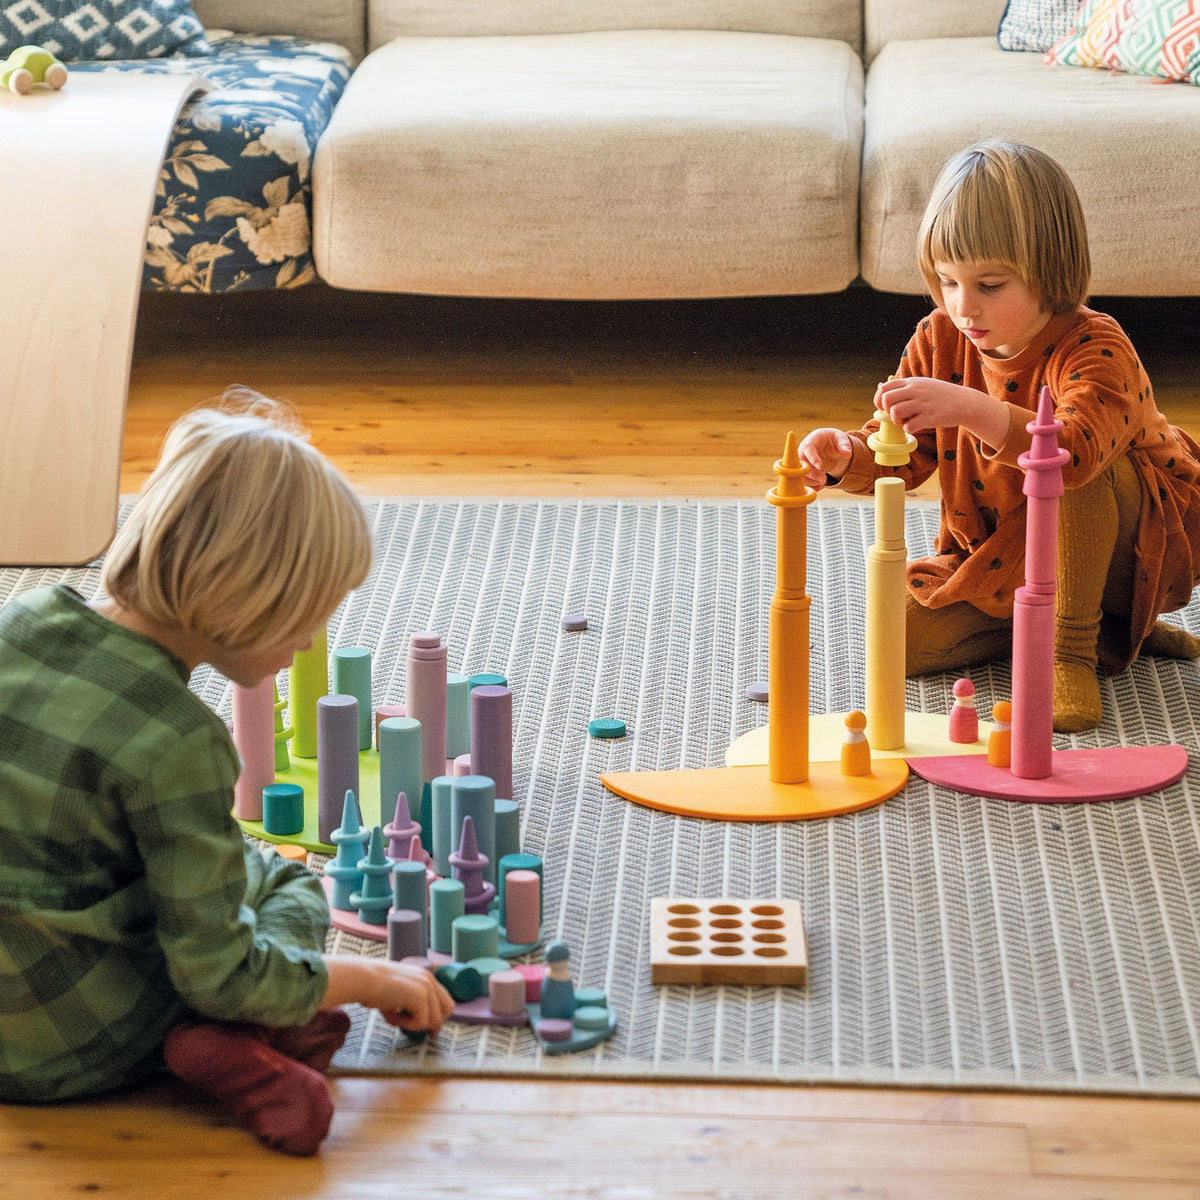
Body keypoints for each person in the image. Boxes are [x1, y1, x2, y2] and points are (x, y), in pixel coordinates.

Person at [0, 392, 454, 1155]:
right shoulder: (180, 743)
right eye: (308, 613)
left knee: (204, 861)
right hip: (77, 1049)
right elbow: (222, 972)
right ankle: (221, 1048)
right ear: (250, 597)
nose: (311, 638)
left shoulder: (22, 617)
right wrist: (369, 980)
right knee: (286, 883)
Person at [798, 139, 1200, 732]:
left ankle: (1071, 649)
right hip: (1007, 552)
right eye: (947, 281)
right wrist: (846, 457)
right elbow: (903, 457)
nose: (964, 307)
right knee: (901, 638)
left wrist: (965, 407)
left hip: (1134, 539)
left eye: (990, 285)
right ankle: (1109, 624)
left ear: (1051, 271)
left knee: (1069, 473)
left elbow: (1068, 457)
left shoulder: (1097, 345)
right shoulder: (941, 336)